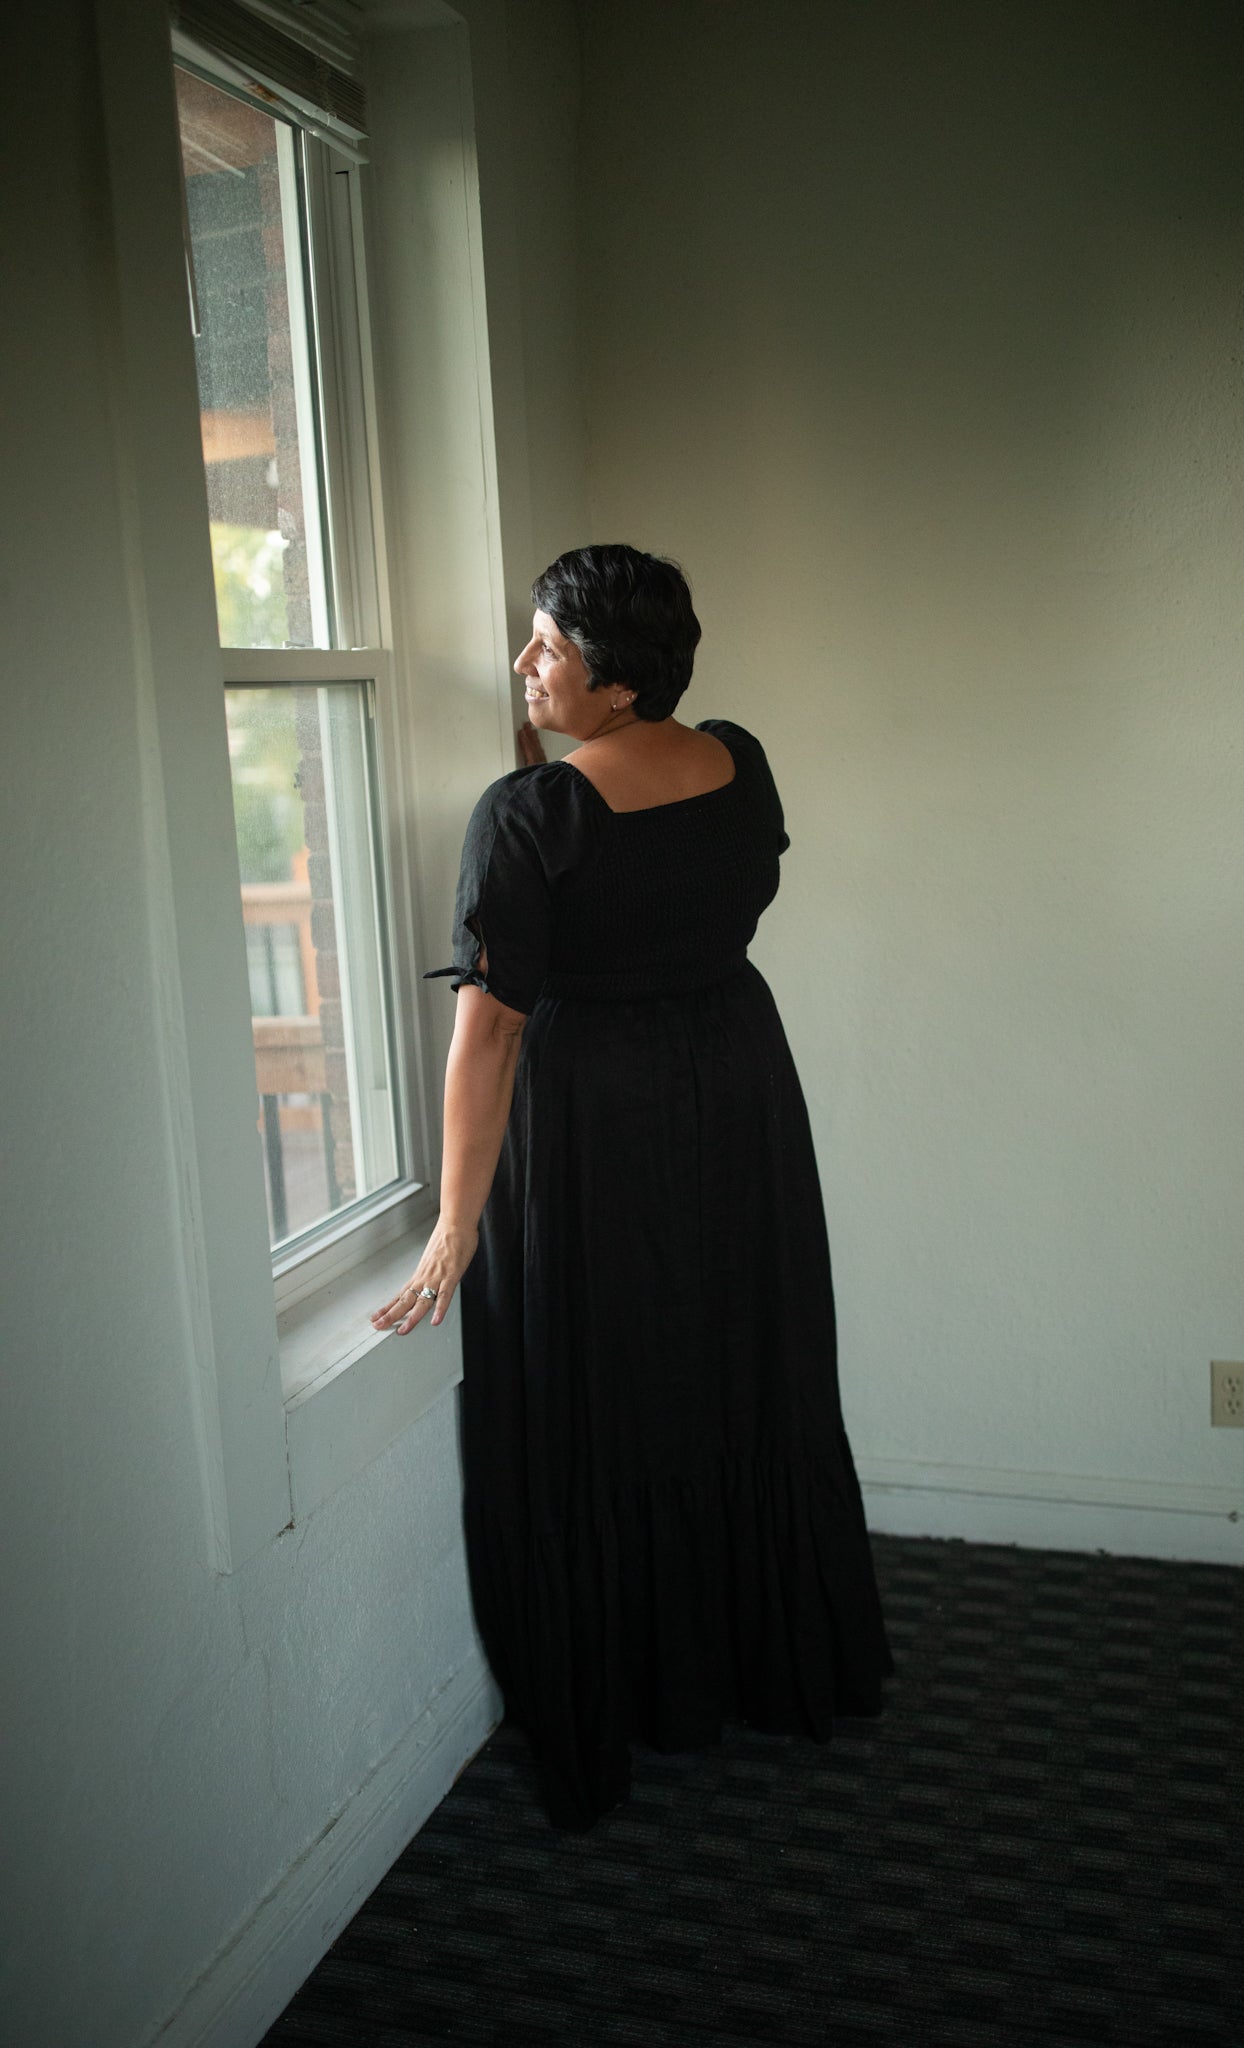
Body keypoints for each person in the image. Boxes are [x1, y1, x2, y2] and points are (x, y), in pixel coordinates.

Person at [372, 544, 891, 1828]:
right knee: (737, 1357)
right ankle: (766, 1657)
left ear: (612, 680)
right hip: (737, 1084)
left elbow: (489, 1031)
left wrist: (453, 1220)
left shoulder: (528, 812)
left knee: (608, 1389)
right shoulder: (737, 759)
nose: (521, 664)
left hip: (596, 1117)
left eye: (545, 644)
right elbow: (728, 883)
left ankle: (635, 1686)